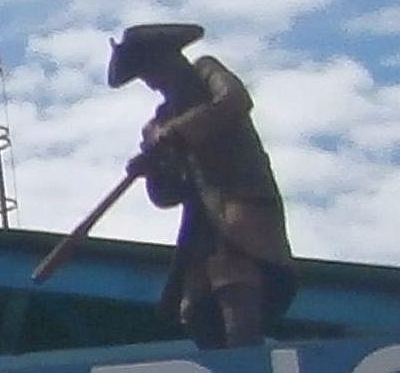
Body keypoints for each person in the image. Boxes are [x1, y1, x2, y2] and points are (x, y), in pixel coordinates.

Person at [108, 21, 295, 350]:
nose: (151, 82)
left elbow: (235, 100)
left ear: (170, 57)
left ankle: (247, 368)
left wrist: (178, 134)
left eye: (151, 69)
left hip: (240, 212)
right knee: (195, 308)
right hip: (202, 229)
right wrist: (153, 169)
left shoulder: (206, 74)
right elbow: (168, 195)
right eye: (144, 75)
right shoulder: (157, 122)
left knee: (237, 291)